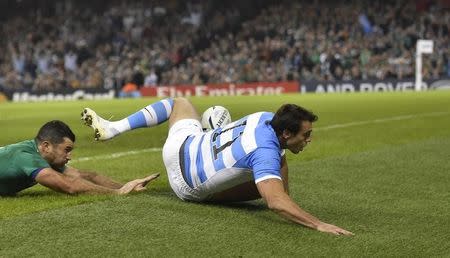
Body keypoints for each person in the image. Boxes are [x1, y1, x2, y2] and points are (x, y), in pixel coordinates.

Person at [81, 98, 353, 236]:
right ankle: (282, 194)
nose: (309, 139)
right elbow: (275, 203)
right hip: (184, 185)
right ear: (285, 133)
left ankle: (114, 128)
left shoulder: (264, 117)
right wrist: (319, 225)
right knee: (273, 191)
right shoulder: (266, 152)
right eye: (305, 135)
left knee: (180, 104)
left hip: (181, 145)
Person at [0, 120, 159, 196]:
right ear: (46, 146)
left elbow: (86, 176)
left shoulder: (42, 155)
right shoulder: (26, 156)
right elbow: (70, 186)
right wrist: (117, 193)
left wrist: (126, 186)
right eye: (66, 150)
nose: (69, 156)